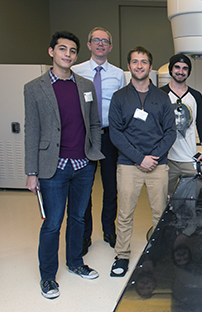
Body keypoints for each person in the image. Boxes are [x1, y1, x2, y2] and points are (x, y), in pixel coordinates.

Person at [24, 31, 104, 299]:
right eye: (62, 49)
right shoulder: (34, 88)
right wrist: (31, 172)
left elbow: (94, 121)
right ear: (51, 52)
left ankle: (75, 263)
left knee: (79, 218)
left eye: (72, 50)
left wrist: (93, 152)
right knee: (53, 223)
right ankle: (48, 277)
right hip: (53, 167)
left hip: (83, 164)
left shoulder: (85, 85)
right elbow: (31, 131)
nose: (67, 54)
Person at [108, 46, 176, 277]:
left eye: (144, 62)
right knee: (125, 213)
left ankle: (159, 253)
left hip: (158, 165)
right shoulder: (119, 98)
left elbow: (170, 132)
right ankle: (122, 256)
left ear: (150, 66)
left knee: (160, 214)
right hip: (128, 165)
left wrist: (152, 158)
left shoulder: (162, 98)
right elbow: (115, 133)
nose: (139, 66)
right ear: (129, 66)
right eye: (135, 62)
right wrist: (139, 158)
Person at [73, 27, 126, 254]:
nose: (101, 44)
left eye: (105, 41)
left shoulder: (118, 74)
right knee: (83, 187)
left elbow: (123, 105)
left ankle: (108, 230)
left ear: (110, 47)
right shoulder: (76, 70)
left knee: (111, 188)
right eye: (96, 40)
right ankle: (85, 235)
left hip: (108, 136)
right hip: (83, 136)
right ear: (89, 44)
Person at [160, 54, 202, 194]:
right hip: (166, 159)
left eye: (184, 68)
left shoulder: (196, 96)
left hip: (189, 158)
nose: (180, 71)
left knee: (189, 201)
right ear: (171, 69)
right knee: (163, 199)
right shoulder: (160, 94)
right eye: (177, 67)